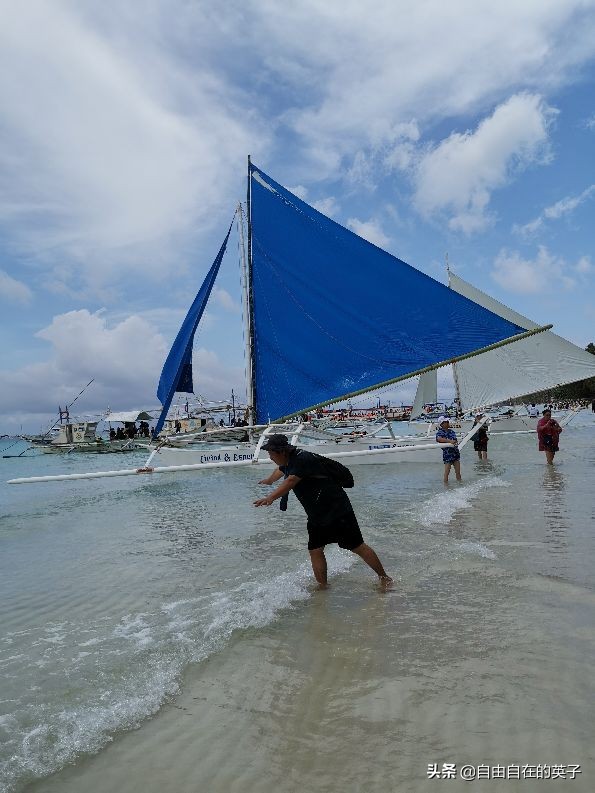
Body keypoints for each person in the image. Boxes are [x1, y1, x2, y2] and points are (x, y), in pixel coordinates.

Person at [253, 434, 392, 589]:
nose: (270, 457)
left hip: (337, 510)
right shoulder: (289, 461)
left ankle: (385, 577)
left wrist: (270, 497)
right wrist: (269, 480)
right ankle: (323, 587)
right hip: (317, 515)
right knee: (315, 549)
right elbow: (281, 470)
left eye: (271, 454)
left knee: (357, 546)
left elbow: (291, 480)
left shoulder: (302, 459)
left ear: (282, 452)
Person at [435, 416, 461, 484]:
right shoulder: (440, 432)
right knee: (447, 472)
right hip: (447, 454)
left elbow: (455, 440)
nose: (448, 423)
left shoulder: (451, 431)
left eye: (447, 421)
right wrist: (449, 441)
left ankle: (460, 484)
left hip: (455, 453)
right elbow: (439, 439)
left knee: (458, 472)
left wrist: (453, 441)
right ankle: (446, 486)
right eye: (446, 422)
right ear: (442, 424)